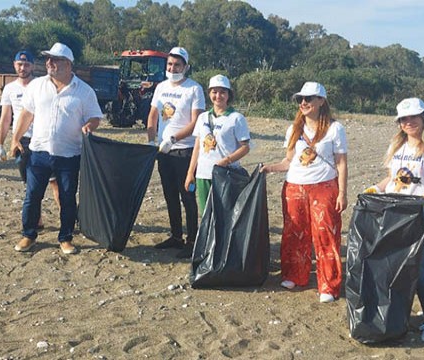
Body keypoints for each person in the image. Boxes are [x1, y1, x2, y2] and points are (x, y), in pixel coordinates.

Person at [363, 97, 424, 343]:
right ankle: (396, 314)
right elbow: (392, 179)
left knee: (420, 270)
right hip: (395, 215)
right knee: (394, 268)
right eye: (403, 119)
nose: (408, 122)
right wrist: (376, 188)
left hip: (421, 217)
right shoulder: (398, 146)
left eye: (413, 117)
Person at [10, 42, 102, 255]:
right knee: (32, 195)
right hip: (39, 151)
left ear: (68, 64)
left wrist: (90, 125)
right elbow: (26, 114)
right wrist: (15, 139)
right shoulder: (37, 86)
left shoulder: (84, 91)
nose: (49, 63)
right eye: (47, 59)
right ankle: (29, 235)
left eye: (55, 59)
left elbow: (95, 116)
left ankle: (66, 238)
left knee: (67, 197)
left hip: (70, 154)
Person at [261, 81, 348, 303]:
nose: (303, 103)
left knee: (325, 234)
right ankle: (294, 275)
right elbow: (288, 161)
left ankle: (329, 284)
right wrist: (270, 168)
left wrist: (342, 193)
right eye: (300, 99)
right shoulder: (294, 129)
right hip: (294, 187)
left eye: (308, 99)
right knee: (294, 232)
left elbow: (341, 163)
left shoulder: (335, 129)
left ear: (321, 101)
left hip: (324, 187)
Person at [146, 46, 205, 258]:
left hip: (184, 151)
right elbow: (153, 114)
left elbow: (196, 121)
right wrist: (152, 140)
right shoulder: (161, 87)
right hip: (164, 151)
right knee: (169, 194)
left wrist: (174, 138)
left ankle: (191, 240)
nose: (173, 68)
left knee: (187, 196)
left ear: (185, 67)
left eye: (177, 64)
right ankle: (176, 236)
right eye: (170, 64)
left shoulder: (194, 89)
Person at [0, 50, 60, 222]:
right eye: (19, 64)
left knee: (56, 183)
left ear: (33, 66)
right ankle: (36, 221)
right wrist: (0, 145)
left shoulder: (42, 84)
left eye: (26, 64)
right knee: (32, 186)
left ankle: (67, 218)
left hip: (44, 139)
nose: (23, 68)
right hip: (22, 141)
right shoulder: (9, 89)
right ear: (14, 65)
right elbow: (5, 118)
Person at [184, 74, 250, 216]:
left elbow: (245, 147)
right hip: (204, 174)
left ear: (228, 95)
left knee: (225, 215)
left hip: (226, 175)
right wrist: (190, 172)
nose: (218, 96)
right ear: (209, 94)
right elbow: (197, 146)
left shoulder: (236, 118)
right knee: (206, 215)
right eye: (214, 92)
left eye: (222, 92)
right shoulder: (202, 117)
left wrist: (226, 161)